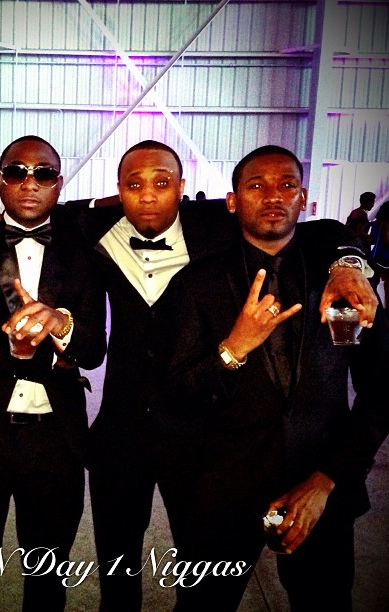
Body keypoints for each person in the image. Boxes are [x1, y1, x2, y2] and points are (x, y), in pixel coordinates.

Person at [0, 139, 378, 610]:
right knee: (117, 569)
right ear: (118, 190)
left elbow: (318, 230)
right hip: (120, 431)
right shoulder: (86, 226)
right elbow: (32, 206)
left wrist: (348, 263)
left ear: (181, 187)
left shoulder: (218, 222)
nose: (147, 195)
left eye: (161, 183)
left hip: (199, 435)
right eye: (134, 184)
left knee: (200, 578)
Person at [161, 145, 389, 611]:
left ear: (303, 198)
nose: (273, 196)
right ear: (232, 201)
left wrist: (328, 478)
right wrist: (233, 349)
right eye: (256, 185)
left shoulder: (342, 284)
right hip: (222, 492)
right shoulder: (197, 284)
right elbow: (177, 396)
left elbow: (382, 389)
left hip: (320, 488)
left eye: (286, 185)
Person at [0, 135, 107, 611]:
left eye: (43, 173)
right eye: (16, 172)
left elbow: (93, 350)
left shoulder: (83, 250)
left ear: (59, 183)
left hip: (56, 439)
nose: (30, 183)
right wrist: (25, 352)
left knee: (48, 575)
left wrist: (62, 326)